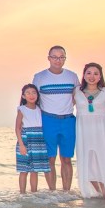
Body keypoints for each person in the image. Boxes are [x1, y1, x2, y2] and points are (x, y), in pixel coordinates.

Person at [73, 62, 105, 200]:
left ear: (100, 76)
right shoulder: (76, 91)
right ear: (84, 75)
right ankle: (98, 193)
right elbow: (65, 107)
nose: (92, 76)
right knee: (87, 163)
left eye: (95, 73)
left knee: (104, 161)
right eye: (88, 73)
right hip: (83, 130)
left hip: (103, 131)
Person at [33, 46, 79, 191]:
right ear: (49, 58)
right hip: (48, 120)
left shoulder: (72, 76)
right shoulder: (39, 77)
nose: (58, 60)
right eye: (54, 57)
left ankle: (66, 192)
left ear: (65, 58)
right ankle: (53, 192)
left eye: (61, 57)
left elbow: (78, 96)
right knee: (50, 159)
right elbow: (33, 99)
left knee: (66, 159)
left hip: (68, 121)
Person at [15, 84, 50, 194]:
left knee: (35, 171)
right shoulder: (22, 109)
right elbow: (17, 128)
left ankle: (34, 195)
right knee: (24, 170)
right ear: (24, 96)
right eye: (28, 93)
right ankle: (22, 194)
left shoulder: (40, 109)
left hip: (39, 141)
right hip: (26, 140)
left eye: (34, 92)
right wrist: (21, 144)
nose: (31, 95)